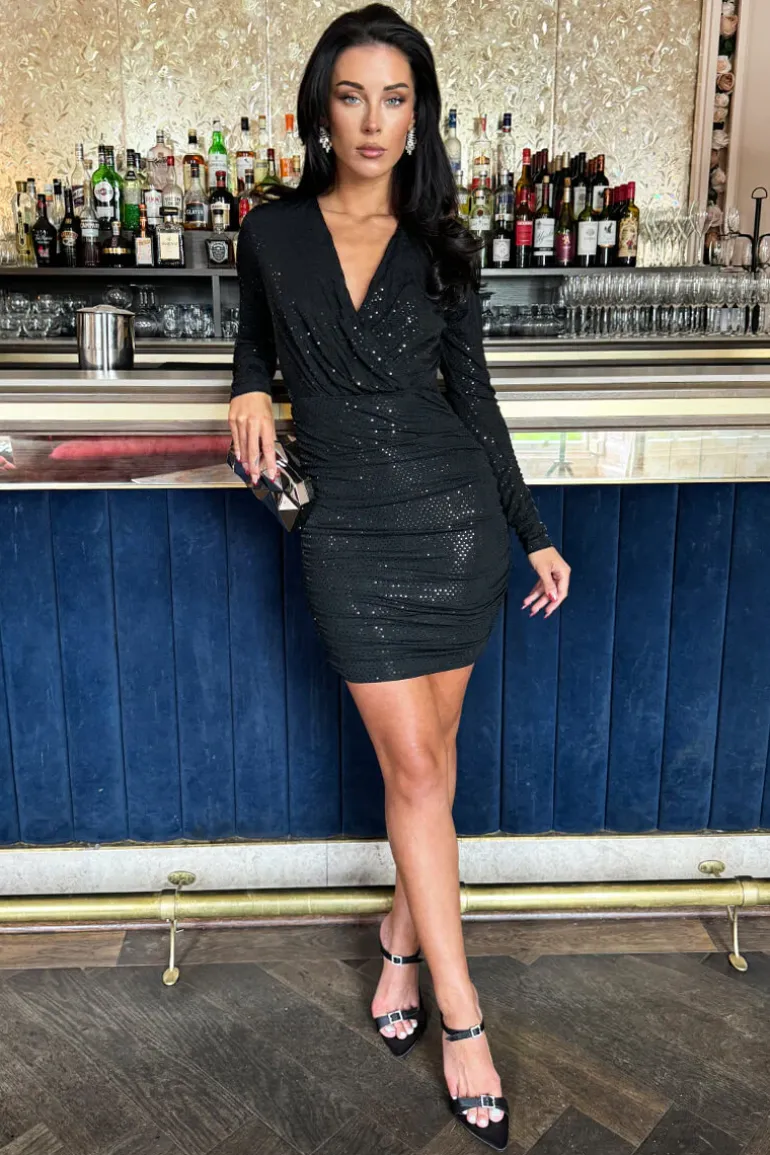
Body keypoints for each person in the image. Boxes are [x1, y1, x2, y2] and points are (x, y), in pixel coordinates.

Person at [228, 3, 571, 1148]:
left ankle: (398, 945)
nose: (372, 121)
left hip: (452, 527)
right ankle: (462, 1018)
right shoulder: (270, 231)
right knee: (418, 768)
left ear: (417, 115)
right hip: (345, 536)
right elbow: (254, 342)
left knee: (430, 764)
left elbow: (475, 401)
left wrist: (529, 532)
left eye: (394, 99)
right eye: (351, 96)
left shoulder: (441, 243)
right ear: (320, 110)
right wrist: (244, 384)